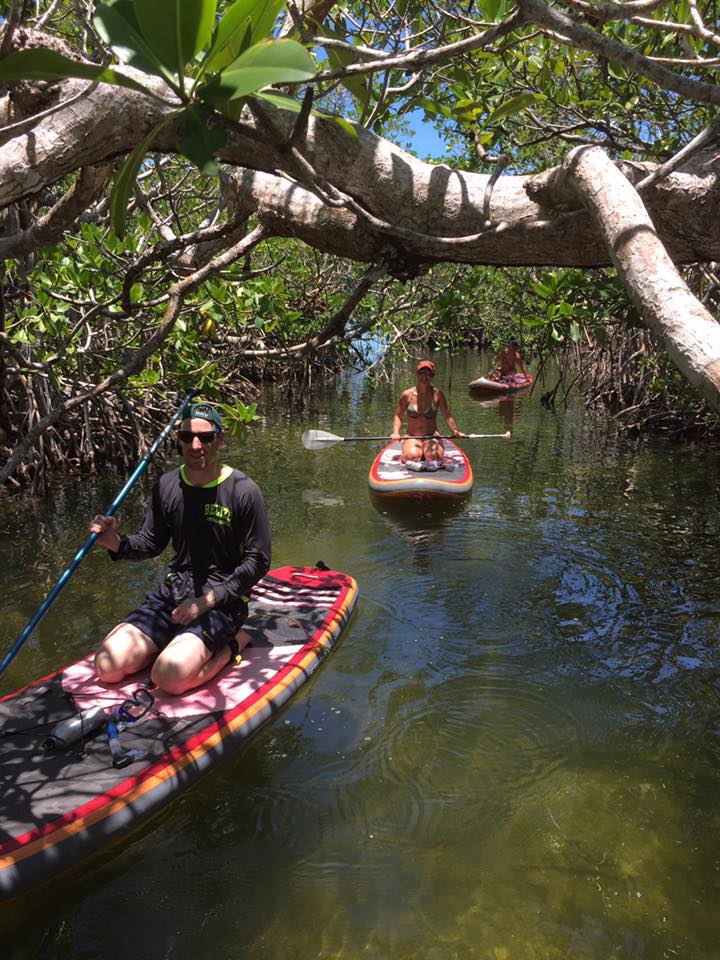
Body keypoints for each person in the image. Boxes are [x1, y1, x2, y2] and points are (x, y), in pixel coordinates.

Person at [89, 401, 271, 696]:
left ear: (220, 438)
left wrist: (206, 602)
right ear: (178, 438)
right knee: (107, 667)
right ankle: (168, 647)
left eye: (205, 437)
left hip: (222, 602)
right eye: (187, 437)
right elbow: (150, 542)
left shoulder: (243, 490)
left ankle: (235, 642)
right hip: (174, 595)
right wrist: (115, 542)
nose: (196, 445)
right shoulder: (167, 485)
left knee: (169, 678)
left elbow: (258, 561)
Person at [391, 359, 466, 465]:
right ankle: (413, 451)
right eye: (421, 373)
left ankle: (430, 452)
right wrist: (396, 432)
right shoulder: (407, 395)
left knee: (434, 457)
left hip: (431, 437)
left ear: (432, 376)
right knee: (412, 457)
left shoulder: (438, 394)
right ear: (417, 374)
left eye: (428, 374)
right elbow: (398, 416)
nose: (424, 376)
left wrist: (455, 431)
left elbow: (447, 415)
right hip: (412, 436)